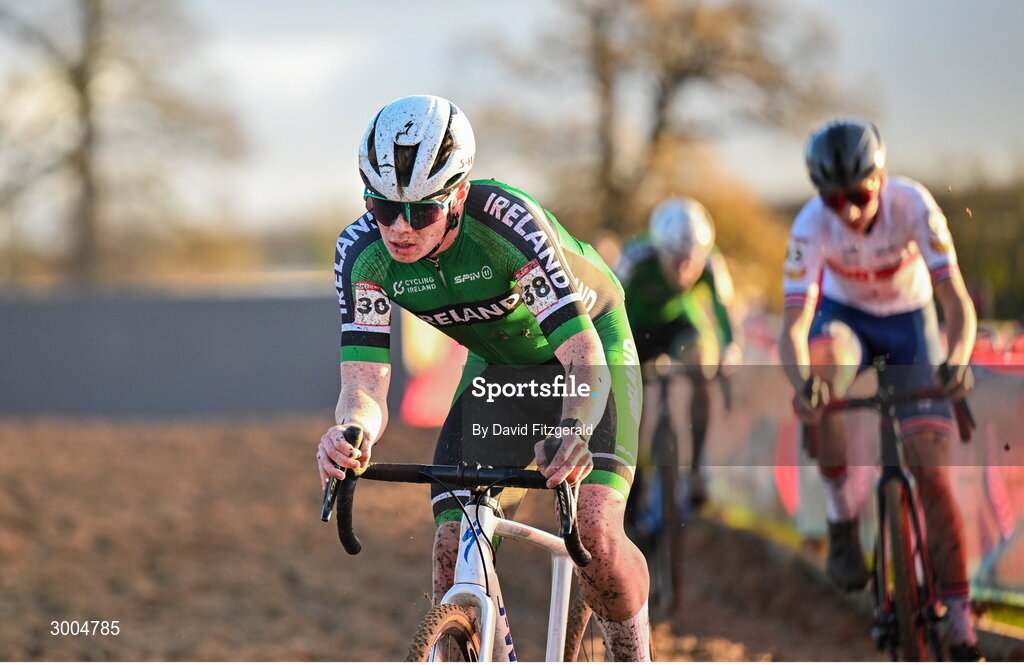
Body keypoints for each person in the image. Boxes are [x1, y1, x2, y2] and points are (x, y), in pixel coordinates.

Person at [317, 95, 651, 661]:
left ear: (459, 195)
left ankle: (634, 653)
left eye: (421, 212)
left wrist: (573, 430)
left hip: (588, 354)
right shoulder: (361, 256)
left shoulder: (507, 226)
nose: (399, 228)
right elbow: (365, 384)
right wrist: (351, 432)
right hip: (502, 372)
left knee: (594, 534)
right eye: (381, 208)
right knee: (451, 547)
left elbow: (580, 352)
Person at [779, 118, 981, 660]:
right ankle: (842, 518)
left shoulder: (914, 204)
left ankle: (961, 625)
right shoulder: (809, 225)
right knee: (823, 374)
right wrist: (804, 385)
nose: (846, 209)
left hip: (910, 324)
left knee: (932, 473)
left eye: (859, 194)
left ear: (882, 177)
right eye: (832, 197)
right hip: (847, 323)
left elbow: (956, 303)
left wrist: (957, 361)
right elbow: (794, 328)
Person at [617, 196, 742, 508]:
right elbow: (608, 309)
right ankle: (633, 474)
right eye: (676, 262)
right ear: (660, 251)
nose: (685, 271)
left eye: (692, 262)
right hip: (634, 329)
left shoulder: (713, 263)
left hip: (680, 326)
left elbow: (725, 316)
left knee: (703, 364)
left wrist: (730, 350)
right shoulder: (636, 259)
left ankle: (697, 470)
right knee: (632, 397)